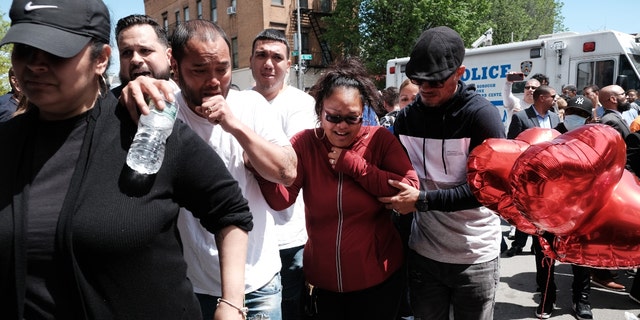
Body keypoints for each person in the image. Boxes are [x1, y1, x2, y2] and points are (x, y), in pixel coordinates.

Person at [0, 1, 252, 319]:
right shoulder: (7, 144)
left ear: (101, 59)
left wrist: (231, 304)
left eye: (56, 52)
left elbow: (230, 210)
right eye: (25, 49)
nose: (36, 65)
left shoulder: (145, 124)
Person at [122, 19, 299, 320]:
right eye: (200, 70)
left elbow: (287, 172)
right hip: (191, 285)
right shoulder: (163, 110)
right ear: (174, 66)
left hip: (257, 283)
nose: (214, 81)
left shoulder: (251, 105)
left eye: (223, 69)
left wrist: (235, 126)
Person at [257, 57, 419, 320]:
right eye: (333, 117)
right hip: (324, 283)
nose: (342, 126)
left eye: (351, 118)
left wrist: (355, 166)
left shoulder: (379, 140)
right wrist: (261, 170)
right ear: (320, 110)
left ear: (363, 112)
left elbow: (408, 187)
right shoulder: (306, 143)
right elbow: (282, 200)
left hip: (378, 279)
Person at [378, 26, 505, 320]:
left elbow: (488, 190)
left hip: (475, 256)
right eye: (418, 80)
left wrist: (422, 200)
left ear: (460, 73)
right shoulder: (406, 119)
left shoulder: (481, 116)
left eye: (435, 80)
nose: (426, 88)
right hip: (423, 254)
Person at [249, 28, 316, 320]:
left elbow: (286, 167)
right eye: (261, 55)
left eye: (277, 57)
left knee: (290, 311)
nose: (268, 63)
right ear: (250, 60)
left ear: (288, 65)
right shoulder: (236, 103)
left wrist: (248, 153)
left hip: (287, 238)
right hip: (246, 235)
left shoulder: (300, 104)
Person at [507, 85, 562, 317]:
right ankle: (544, 285)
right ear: (541, 98)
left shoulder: (554, 117)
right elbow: (512, 146)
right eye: (552, 96)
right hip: (530, 184)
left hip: (554, 186)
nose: (555, 100)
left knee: (547, 240)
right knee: (537, 234)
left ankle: (545, 284)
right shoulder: (521, 117)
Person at [542, 95, 595, 320]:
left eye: (582, 114)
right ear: (565, 112)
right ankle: (547, 297)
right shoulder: (551, 135)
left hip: (582, 205)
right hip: (551, 204)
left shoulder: (593, 137)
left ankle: (582, 300)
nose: (576, 117)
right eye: (573, 112)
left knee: (581, 256)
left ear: (589, 117)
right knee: (545, 252)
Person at [112, 14, 172, 97]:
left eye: (145, 50)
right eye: (127, 53)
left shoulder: (189, 102)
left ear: (168, 56)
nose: (135, 60)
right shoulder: (104, 107)